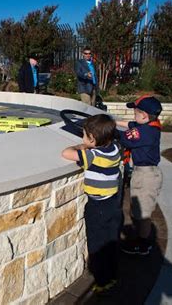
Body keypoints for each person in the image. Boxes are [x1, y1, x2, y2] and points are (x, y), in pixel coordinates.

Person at [62, 114, 122, 294]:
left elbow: (66, 153)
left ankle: (103, 280)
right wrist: (87, 146)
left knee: (97, 243)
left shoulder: (93, 156)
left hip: (98, 207)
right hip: (113, 202)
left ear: (92, 139)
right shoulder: (114, 149)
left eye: (84, 135)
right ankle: (112, 273)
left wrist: (80, 147)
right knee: (111, 239)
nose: (82, 138)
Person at [116, 95, 163, 255]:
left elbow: (123, 138)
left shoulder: (145, 132)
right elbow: (130, 124)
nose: (133, 117)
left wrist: (105, 128)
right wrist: (112, 121)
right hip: (145, 173)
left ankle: (142, 245)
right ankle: (141, 238)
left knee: (142, 213)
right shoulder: (151, 125)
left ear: (144, 115)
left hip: (146, 176)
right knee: (137, 209)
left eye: (135, 113)